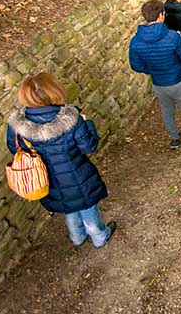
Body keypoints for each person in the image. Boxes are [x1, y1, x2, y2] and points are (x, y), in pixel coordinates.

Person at [6, 72, 115, 248]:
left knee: (68, 208)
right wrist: (87, 124)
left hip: (46, 179)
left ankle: (77, 237)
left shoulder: (17, 125)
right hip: (77, 175)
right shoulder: (72, 119)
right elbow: (89, 146)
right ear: (54, 91)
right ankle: (99, 236)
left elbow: (14, 148)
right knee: (87, 207)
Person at [129, 0, 181, 149]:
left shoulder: (135, 41)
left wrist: (151, 70)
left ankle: (175, 138)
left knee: (167, 110)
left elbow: (136, 66)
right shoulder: (172, 36)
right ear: (161, 15)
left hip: (159, 82)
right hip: (180, 78)